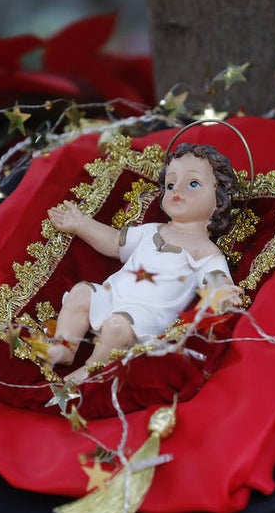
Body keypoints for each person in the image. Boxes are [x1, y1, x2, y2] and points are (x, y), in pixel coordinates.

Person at [44, 143, 243, 380]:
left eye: (193, 183)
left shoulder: (205, 252)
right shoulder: (150, 231)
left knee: (117, 328)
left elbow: (216, 281)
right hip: (111, 295)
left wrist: (224, 293)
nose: (177, 189)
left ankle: (93, 368)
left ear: (219, 201)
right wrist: (81, 224)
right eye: (170, 184)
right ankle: (64, 347)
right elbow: (114, 241)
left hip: (144, 318)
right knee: (80, 293)